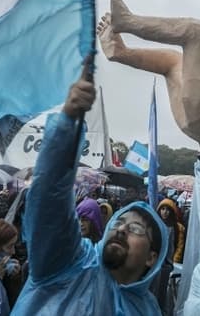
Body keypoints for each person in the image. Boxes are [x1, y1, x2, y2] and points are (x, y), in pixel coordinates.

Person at [12, 68, 169, 315]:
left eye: (136, 229)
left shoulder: (148, 310)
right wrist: (68, 127)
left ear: (151, 257)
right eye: (119, 222)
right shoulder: (68, 264)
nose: (121, 228)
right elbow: (48, 202)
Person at [157, 198, 186, 263]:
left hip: (171, 261)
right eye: (163, 209)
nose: (165, 212)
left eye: (168, 209)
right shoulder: (156, 224)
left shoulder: (178, 227)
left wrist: (175, 260)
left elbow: (180, 246)